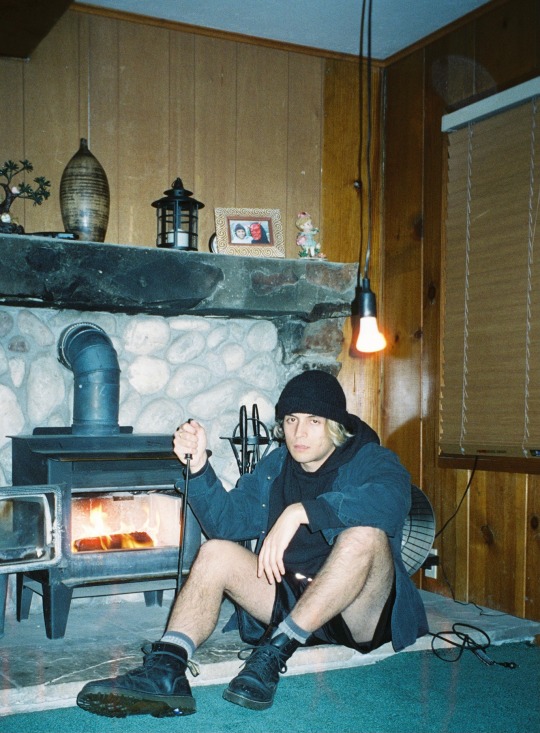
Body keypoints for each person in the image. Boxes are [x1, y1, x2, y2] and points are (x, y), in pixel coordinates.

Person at [76, 369, 428, 719]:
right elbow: (227, 524)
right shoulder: (276, 465)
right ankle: (166, 669)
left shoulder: (369, 457)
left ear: (334, 425)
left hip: (355, 610)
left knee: (365, 535)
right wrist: (199, 468)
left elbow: (393, 501)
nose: (299, 432)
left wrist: (301, 512)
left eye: (314, 421)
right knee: (215, 552)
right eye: (291, 420)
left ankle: (275, 652)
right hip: (290, 596)